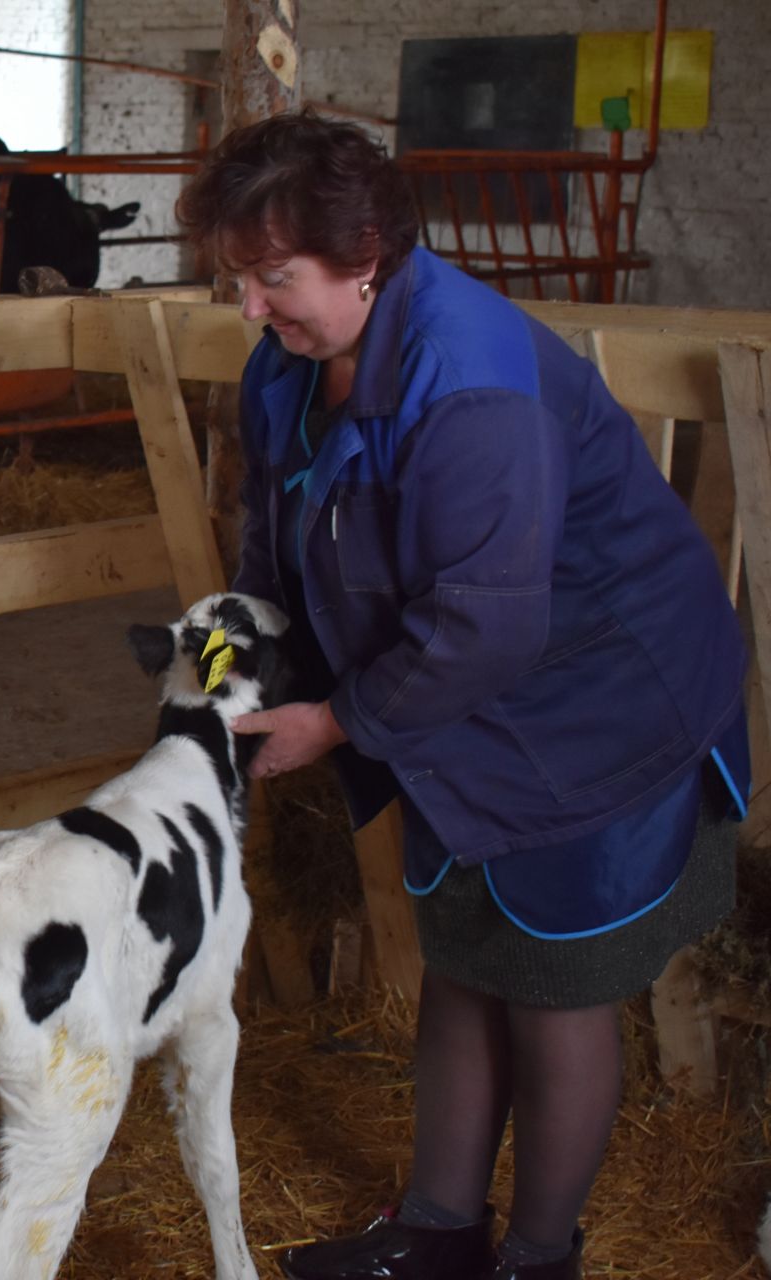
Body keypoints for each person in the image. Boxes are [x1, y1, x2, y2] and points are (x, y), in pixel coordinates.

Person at [174, 109, 748, 1280]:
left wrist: (336, 722)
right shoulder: (288, 363)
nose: (249, 308)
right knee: (465, 954)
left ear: (368, 248)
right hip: (450, 699)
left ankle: (537, 1258)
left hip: (593, 704)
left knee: (551, 984)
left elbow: (490, 620)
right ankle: (437, 1229)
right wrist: (240, 673)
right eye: (237, 278)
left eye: (273, 277)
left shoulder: (471, 385)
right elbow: (270, 542)